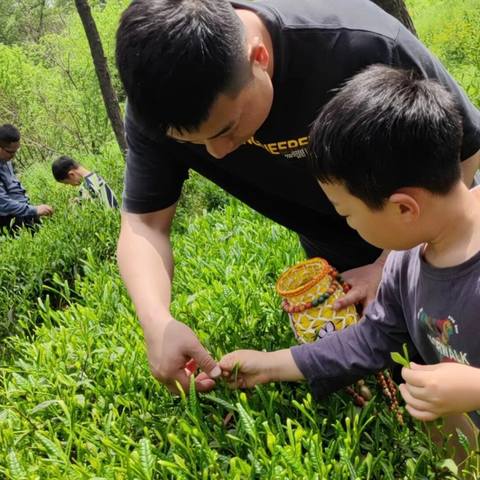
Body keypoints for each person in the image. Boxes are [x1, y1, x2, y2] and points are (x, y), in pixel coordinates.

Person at [114, 0, 480, 394]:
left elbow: (463, 151)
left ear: (259, 57)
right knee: (414, 372)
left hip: (426, 233)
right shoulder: (161, 100)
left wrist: (390, 260)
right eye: (193, 144)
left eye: (226, 129)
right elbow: (144, 223)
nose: (217, 154)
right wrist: (157, 322)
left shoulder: (360, 42)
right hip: (371, 239)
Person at [219, 66, 480, 454]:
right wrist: (268, 365)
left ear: (404, 209)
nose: (348, 226)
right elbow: (370, 339)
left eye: (348, 215)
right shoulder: (404, 262)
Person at [0, 124, 53, 234]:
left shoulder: (6, 159)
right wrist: (34, 210)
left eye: (17, 150)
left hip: (23, 213)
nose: (14, 155)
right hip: (8, 221)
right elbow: (3, 202)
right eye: (11, 152)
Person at [52, 156, 119, 209]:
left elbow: (90, 213)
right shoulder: (95, 177)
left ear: (72, 174)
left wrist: (73, 206)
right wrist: (80, 201)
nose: (72, 185)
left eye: (68, 183)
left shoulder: (85, 187)